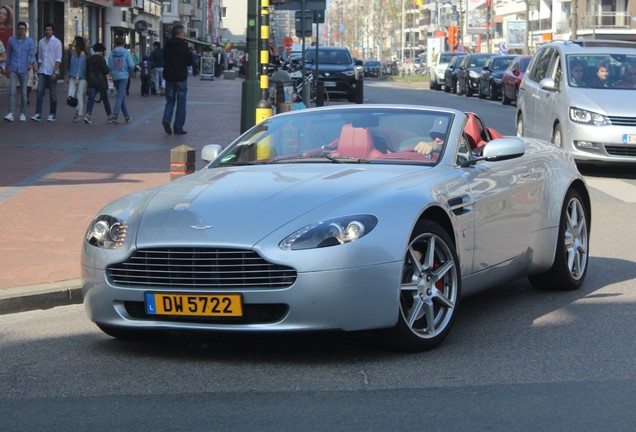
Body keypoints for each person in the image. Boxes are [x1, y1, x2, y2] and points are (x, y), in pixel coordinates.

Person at [161, 24, 192, 135]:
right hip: (181, 78)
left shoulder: (167, 45)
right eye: (184, 32)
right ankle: (178, 128)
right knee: (181, 103)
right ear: (180, 33)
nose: (185, 34)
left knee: (169, 101)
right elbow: (189, 61)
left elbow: (164, 57)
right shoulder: (184, 46)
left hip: (169, 77)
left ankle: (166, 119)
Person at [4, 21, 35, 122]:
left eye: (23, 29)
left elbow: (32, 55)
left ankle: (22, 113)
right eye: (20, 28)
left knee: (23, 93)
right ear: (17, 29)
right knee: (12, 92)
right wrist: (7, 67)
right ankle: (11, 113)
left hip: (24, 69)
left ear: (26, 30)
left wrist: (30, 63)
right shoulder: (11, 40)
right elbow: (8, 54)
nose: (21, 30)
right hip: (13, 68)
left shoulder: (30, 41)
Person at [31, 23, 62, 122]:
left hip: (52, 71)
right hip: (42, 71)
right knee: (39, 93)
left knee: (53, 94)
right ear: (44, 31)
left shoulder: (57, 42)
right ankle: (38, 114)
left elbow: (58, 59)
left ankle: (52, 114)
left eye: (49, 30)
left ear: (53, 31)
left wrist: (55, 72)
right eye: (46, 30)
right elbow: (39, 57)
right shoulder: (41, 42)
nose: (48, 31)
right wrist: (37, 71)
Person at [83, 42, 112, 124]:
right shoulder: (101, 59)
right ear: (101, 51)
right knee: (105, 99)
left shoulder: (89, 59)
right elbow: (106, 71)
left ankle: (88, 114)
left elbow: (87, 71)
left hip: (92, 81)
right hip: (101, 81)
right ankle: (109, 116)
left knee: (91, 98)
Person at [107, 36, 134, 124]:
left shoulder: (111, 53)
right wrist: (129, 72)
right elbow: (131, 65)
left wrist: (112, 73)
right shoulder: (126, 52)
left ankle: (127, 116)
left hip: (115, 76)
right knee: (120, 96)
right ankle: (115, 115)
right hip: (124, 76)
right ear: (124, 43)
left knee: (120, 96)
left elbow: (110, 66)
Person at [67, 36, 88, 122]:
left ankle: (79, 114)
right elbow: (70, 64)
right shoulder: (73, 52)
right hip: (72, 75)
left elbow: (80, 66)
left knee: (80, 96)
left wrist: (77, 77)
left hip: (81, 77)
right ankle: (77, 109)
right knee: (70, 96)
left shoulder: (82, 53)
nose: (73, 42)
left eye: (75, 41)